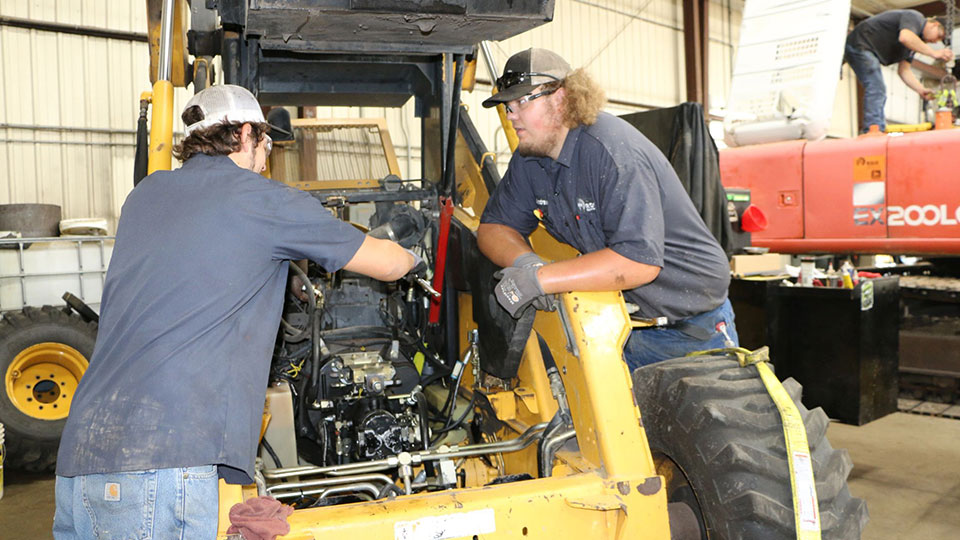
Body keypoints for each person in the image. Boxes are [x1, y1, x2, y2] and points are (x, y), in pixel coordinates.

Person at [52, 84, 417, 539]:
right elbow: (388, 263)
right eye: (266, 141)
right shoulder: (264, 199)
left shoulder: (145, 195)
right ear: (246, 133)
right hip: (166, 461)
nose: (267, 154)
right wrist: (413, 256)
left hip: (84, 451)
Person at [478, 48, 737, 372]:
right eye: (507, 105)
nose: (510, 114)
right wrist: (526, 262)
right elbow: (492, 228)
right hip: (617, 326)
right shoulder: (530, 159)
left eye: (521, 102)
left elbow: (639, 263)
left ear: (561, 98)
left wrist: (541, 279)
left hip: (689, 331)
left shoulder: (612, 152)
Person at [844, 10, 952, 132]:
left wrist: (920, 89)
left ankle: (876, 127)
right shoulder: (915, 17)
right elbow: (905, 37)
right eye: (939, 36)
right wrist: (934, 53)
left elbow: (904, 71)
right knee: (877, 88)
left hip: (864, 48)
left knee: (877, 88)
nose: (936, 41)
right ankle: (873, 128)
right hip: (860, 43)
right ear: (934, 24)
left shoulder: (912, 45)